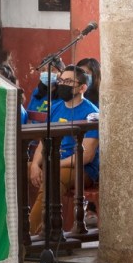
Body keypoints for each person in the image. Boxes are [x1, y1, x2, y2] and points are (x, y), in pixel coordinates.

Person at [27, 65, 99, 235]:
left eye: (68, 81)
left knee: (53, 177)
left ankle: (29, 235)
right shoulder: (56, 107)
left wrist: (54, 165)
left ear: (82, 87)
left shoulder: (91, 113)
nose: (62, 85)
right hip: (55, 162)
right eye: (61, 80)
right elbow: (44, 142)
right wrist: (36, 165)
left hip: (82, 169)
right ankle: (14, 227)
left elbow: (87, 156)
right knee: (20, 170)